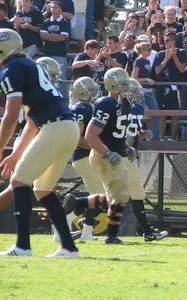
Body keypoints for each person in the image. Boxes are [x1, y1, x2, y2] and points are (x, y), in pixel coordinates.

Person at [0, 29, 80, 257]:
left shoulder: (11, 69)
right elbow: (31, 121)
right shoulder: (28, 66)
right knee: (43, 189)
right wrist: (15, 155)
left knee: (18, 181)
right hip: (67, 127)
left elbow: (10, 115)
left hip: (54, 127)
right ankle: (68, 247)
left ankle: (23, 246)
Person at [85, 67, 133, 245]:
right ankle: (111, 236)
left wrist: (126, 147)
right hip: (103, 155)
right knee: (121, 196)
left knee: (114, 196)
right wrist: (107, 152)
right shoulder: (106, 103)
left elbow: (113, 133)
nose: (126, 86)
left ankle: (76, 203)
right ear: (113, 83)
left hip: (112, 153)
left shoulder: (121, 103)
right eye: (123, 82)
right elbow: (91, 135)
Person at [121, 78, 168, 241]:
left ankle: (147, 231)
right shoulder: (117, 107)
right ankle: (82, 220)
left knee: (135, 192)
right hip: (115, 155)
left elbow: (132, 129)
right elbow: (117, 131)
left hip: (128, 156)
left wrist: (142, 133)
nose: (138, 94)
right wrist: (125, 145)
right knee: (112, 195)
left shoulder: (137, 108)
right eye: (134, 91)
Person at [63, 76, 108, 242]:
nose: (95, 92)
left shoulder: (86, 107)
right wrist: (100, 148)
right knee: (100, 196)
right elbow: (78, 137)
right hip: (83, 157)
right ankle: (77, 225)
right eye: (92, 89)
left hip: (87, 157)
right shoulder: (81, 108)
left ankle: (84, 229)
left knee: (98, 197)